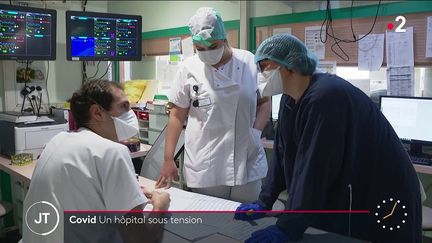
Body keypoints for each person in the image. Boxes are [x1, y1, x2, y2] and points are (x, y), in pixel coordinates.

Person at [234, 34, 422, 243]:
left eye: (266, 66)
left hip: (383, 192)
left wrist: (288, 227)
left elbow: (315, 167)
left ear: (290, 65)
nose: (261, 74)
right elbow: (282, 153)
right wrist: (264, 200)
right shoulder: (289, 98)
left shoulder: (327, 96)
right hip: (347, 187)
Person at [23, 80, 170, 243]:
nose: (131, 113)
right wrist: (160, 207)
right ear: (98, 113)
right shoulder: (112, 152)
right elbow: (142, 240)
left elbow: (80, 194)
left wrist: (124, 196)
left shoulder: (57, 141)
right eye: (124, 106)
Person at [156, 7, 270, 202]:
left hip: (246, 155)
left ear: (225, 39)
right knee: (214, 220)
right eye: (200, 49)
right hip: (207, 160)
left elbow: (264, 101)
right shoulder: (188, 68)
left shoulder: (248, 61)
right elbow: (176, 115)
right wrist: (168, 159)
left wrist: (255, 133)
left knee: (246, 219)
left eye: (213, 46)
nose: (207, 52)